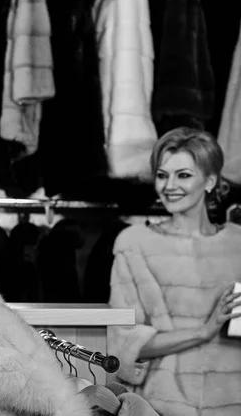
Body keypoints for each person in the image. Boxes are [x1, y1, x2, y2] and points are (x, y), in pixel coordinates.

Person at [107, 127, 241, 416]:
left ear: (210, 180)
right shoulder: (134, 245)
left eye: (183, 175)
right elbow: (124, 343)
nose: (169, 185)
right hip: (160, 407)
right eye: (162, 174)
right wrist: (204, 331)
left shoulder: (238, 244)